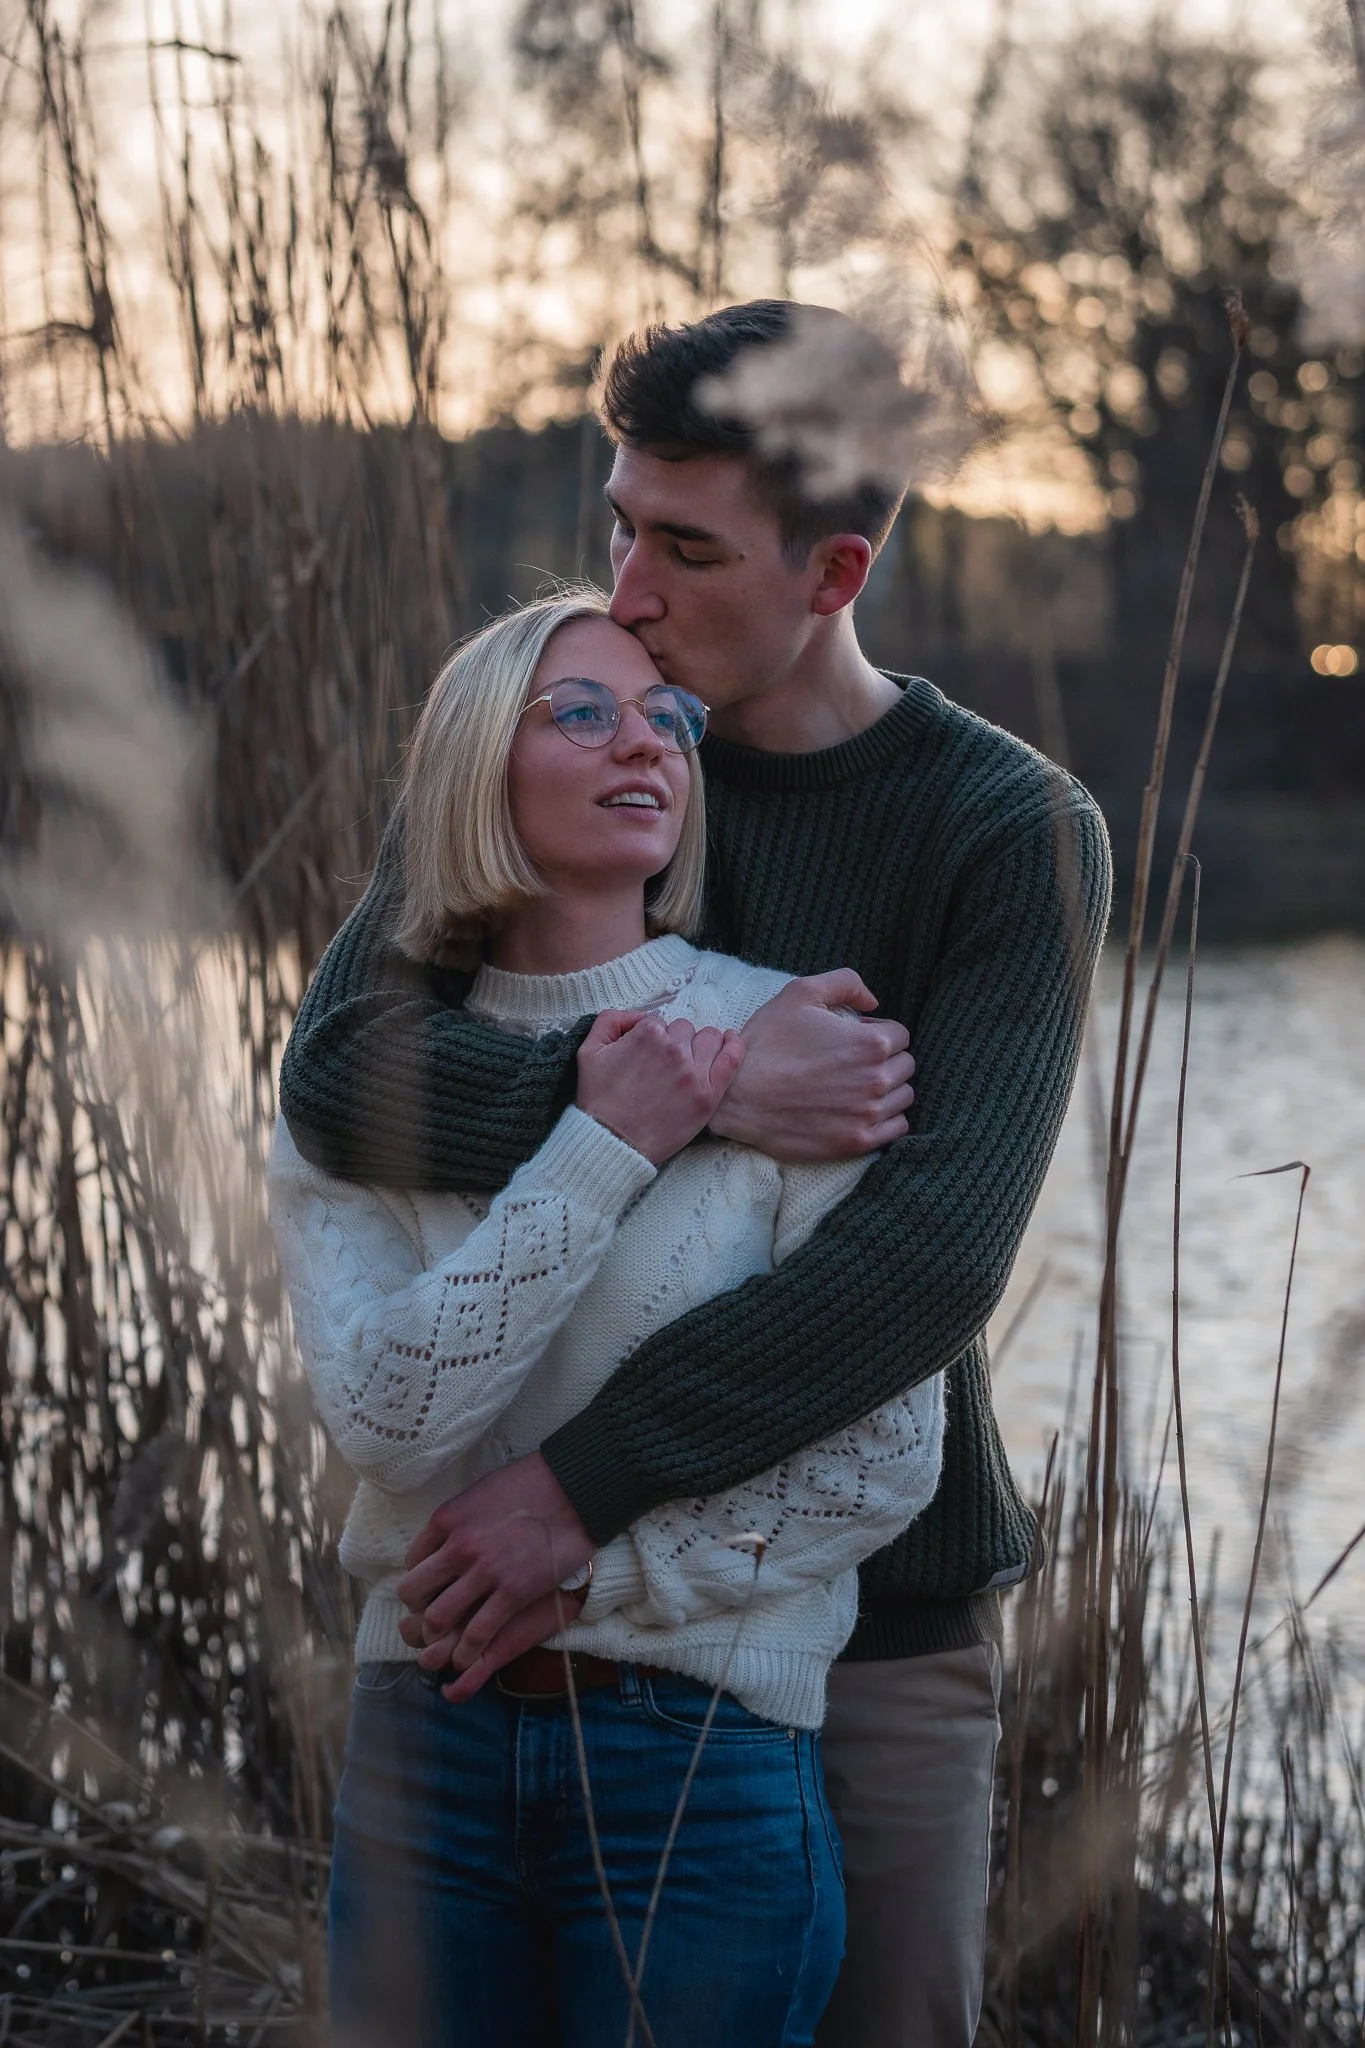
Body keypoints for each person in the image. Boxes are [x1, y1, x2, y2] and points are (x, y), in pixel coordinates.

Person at [279, 299, 1113, 2046]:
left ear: (833, 572)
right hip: (496, 1654)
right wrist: (697, 1089)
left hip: (864, 1622)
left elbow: (930, 1262)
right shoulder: (570, 753)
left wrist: (583, 1487)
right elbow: (346, 1072)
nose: (631, 588)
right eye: (615, 524)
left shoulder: (1005, 825)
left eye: (685, 545)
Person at [269, 589, 947, 2048]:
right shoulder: (362, 1074)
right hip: (424, 1750)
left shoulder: (801, 1041)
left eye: (670, 719)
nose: (644, 745)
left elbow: (879, 1455)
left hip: (698, 1759)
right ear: (473, 765)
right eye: (582, 712)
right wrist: (605, 1144)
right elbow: (389, 1417)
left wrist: (594, 1575)